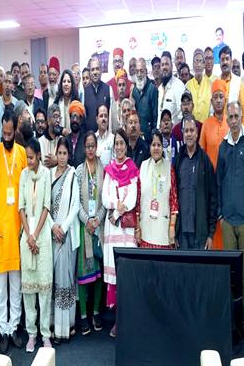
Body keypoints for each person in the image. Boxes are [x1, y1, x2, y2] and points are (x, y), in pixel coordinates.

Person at [217, 101, 244, 345]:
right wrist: (220, 215)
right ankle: (231, 324)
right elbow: (219, 182)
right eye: (230, 117)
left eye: (236, 116)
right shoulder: (223, 147)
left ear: (241, 117)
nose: (233, 120)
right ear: (226, 118)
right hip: (227, 221)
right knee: (229, 276)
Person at [0, 110, 27, 353]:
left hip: (18, 228)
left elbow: (28, 189)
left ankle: (14, 328)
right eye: (5, 133)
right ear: (1, 130)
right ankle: (2, 329)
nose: (7, 137)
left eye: (11, 134)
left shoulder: (22, 153)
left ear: (15, 131)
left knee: (16, 283)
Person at [102, 128, 140, 338]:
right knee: (115, 278)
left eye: (121, 143)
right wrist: (115, 205)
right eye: (116, 143)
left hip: (125, 228)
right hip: (112, 230)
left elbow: (132, 199)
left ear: (126, 145)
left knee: (126, 275)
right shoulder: (109, 170)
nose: (118, 147)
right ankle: (118, 321)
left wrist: (116, 211)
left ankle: (129, 321)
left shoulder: (132, 168)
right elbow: (104, 197)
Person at [17, 138, 53, 352]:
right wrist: (28, 236)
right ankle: (31, 334)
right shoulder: (23, 175)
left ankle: (45, 334)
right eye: (27, 158)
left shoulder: (46, 174)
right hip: (27, 235)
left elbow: (47, 206)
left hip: (43, 234)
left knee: (44, 287)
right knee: (29, 290)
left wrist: (36, 235)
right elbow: (20, 207)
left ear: (39, 155)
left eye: (31, 157)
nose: (29, 161)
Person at [50, 137, 80, 343]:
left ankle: (66, 326)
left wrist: (63, 228)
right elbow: (45, 205)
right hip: (52, 234)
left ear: (69, 155)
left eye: (64, 153)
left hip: (67, 235)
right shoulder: (49, 174)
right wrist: (53, 226)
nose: (62, 157)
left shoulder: (72, 175)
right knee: (53, 281)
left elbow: (75, 205)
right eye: (59, 153)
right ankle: (53, 324)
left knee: (65, 280)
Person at [76, 132, 105, 336]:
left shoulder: (104, 169)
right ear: (84, 148)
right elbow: (76, 201)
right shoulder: (79, 171)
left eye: (93, 145)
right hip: (84, 227)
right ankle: (84, 316)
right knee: (85, 273)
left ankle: (96, 313)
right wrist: (87, 220)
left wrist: (98, 220)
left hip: (99, 227)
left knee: (98, 274)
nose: (90, 149)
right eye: (87, 146)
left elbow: (106, 199)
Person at [172, 116, 217, 249]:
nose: (189, 134)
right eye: (186, 131)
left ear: (197, 133)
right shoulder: (178, 160)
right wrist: (174, 230)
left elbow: (213, 197)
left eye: (192, 130)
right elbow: (173, 196)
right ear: (183, 134)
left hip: (201, 232)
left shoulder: (205, 161)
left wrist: (210, 234)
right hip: (182, 232)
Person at [137, 129, 178, 248]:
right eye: (153, 145)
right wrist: (137, 228)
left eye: (159, 145)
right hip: (145, 229)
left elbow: (174, 201)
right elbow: (138, 200)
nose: (156, 148)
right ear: (149, 147)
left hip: (163, 230)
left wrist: (172, 226)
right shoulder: (143, 167)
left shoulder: (169, 168)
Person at [199, 80, 230, 170]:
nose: (218, 100)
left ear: (225, 100)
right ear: (211, 101)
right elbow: (201, 153)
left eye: (221, 97)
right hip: (210, 173)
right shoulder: (206, 124)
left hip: (228, 173)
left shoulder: (230, 123)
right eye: (215, 97)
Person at [219, 45, 244, 128]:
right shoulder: (216, 82)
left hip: (235, 129)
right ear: (219, 62)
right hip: (219, 129)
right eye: (222, 59)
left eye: (227, 59)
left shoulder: (238, 82)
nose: (225, 62)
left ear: (231, 61)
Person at [132, 58, 158, 143]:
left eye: (141, 71)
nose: (139, 74)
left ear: (146, 72)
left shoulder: (152, 89)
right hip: (137, 137)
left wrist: (154, 136)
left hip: (150, 137)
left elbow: (155, 115)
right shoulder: (134, 90)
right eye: (137, 71)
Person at [84, 57, 113, 133]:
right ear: (89, 72)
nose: (95, 72)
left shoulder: (109, 89)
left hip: (105, 136)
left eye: (97, 69)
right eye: (92, 69)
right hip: (89, 136)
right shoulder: (84, 91)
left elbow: (111, 116)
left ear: (101, 70)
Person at [171, 90, 202, 157]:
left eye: (188, 104)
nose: (186, 107)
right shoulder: (175, 130)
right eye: (184, 104)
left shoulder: (201, 127)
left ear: (193, 106)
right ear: (181, 107)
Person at [158, 51, 185, 124]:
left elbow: (182, 115)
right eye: (162, 65)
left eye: (167, 64)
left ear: (172, 66)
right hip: (160, 130)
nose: (164, 67)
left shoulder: (178, 86)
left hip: (174, 130)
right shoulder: (160, 89)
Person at [186, 48, 212, 123]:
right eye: (196, 61)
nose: (198, 65)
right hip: (192, 126)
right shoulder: (188, 85)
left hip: (206, 125)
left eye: (200, 61)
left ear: (204, 65)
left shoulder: (210, 84)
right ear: (193, 65)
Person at [55, 69, 80, 134]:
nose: (66, 84)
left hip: (74, 137)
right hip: (59, 137)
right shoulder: (56, 102)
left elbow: (81, 125)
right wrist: (61, 130)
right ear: (61, 84)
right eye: (64, 81)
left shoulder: (77, 103)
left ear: (72, 84)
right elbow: (53, 124)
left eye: (69, 81)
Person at [67, 100, 87, 167]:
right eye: (73, 117)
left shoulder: (85, 140)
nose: (75, 120)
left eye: (77, 117)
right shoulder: (65, 140)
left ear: (81, 121)